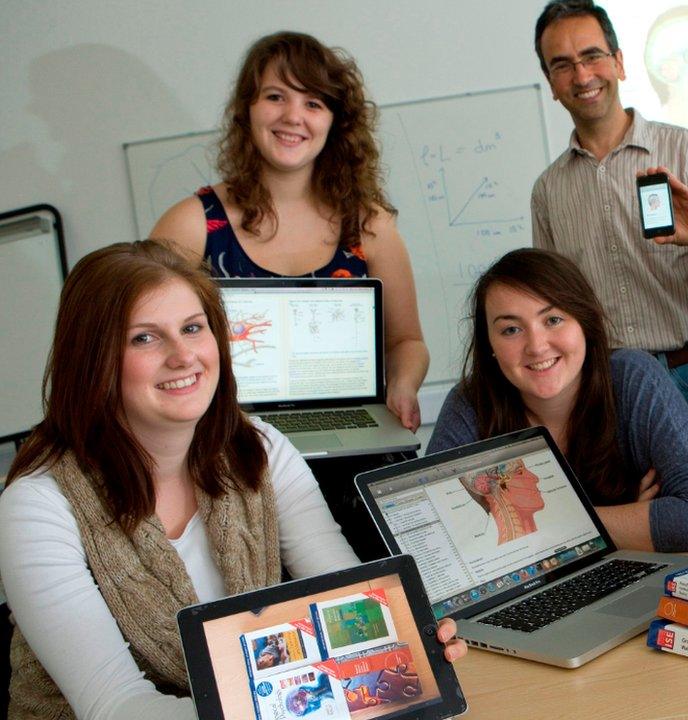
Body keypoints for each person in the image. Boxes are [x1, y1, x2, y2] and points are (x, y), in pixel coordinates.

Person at [0, 241, 464, 720]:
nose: (184, 356)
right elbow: (114, 705)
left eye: (193, 328)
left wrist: (403, 645)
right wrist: (288, 709)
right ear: (93, 359)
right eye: (144, 338)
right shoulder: (37, 504)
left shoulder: (258, 447)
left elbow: (344, 594)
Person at [150, 31, 426, 431]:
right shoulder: (191, 224)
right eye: (276, 96)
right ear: (248, 108)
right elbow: (146, 338)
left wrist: (402, 384)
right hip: (228, 441)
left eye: (313, 103)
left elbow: (407, 343)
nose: (293, 117)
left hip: (352, 444)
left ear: (335, 121)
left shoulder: (369, 225)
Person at [531, 0, 688, 419]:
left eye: (592, 57)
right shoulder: (548, 190)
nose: (582, 75)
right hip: (611, 389)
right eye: (563, 65)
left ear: (619, 63)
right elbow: (553, 306)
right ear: (551, 83)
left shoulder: (686, 150)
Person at [427, 248, 688, 552]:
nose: (536, 346)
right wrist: (622, 527)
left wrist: (526, 526)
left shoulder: (632, 377)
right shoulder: (470, 403)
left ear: (584, 322)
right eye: (511, 329)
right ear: (489, 344)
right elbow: (436, 539)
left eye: (554, 319)